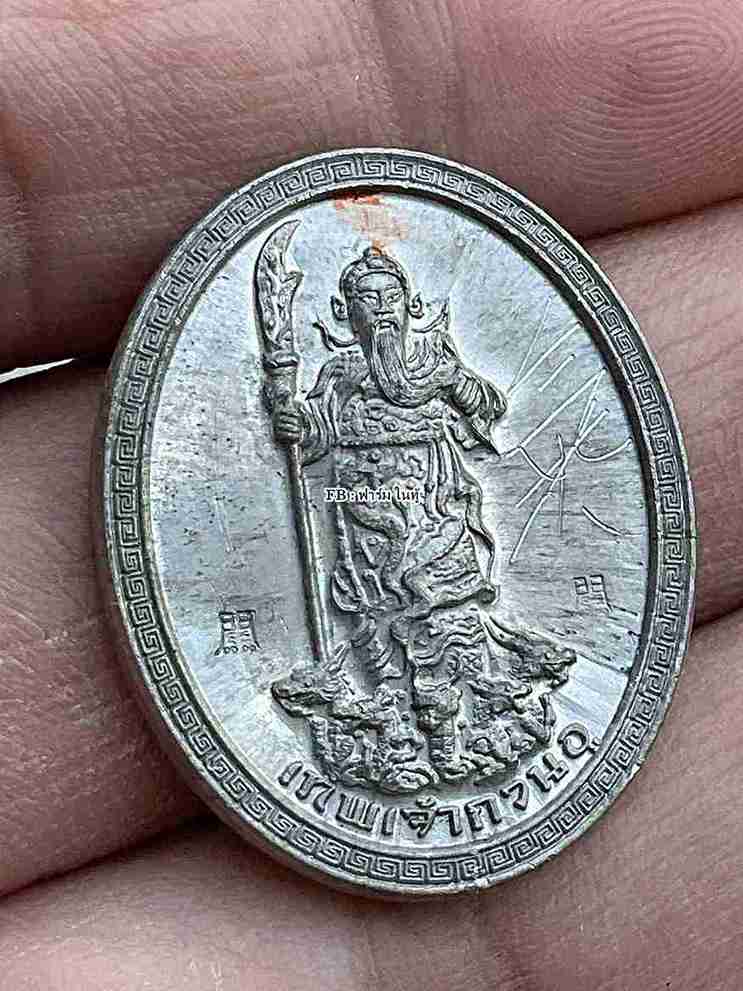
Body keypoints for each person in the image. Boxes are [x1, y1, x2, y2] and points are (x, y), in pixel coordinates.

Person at [1, 1, 742, 987]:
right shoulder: (343, 374)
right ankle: (398, 723)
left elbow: (484, 406)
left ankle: (456, 720)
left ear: (403, 307)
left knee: (447, 623)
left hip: (432, 512)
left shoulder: (428, 363)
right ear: (350, 315)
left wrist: (460, 395)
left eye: (389, 300)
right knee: (382, 637)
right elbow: (305, 436)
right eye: (366, 304)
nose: (379, 313)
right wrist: (284, 393)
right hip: (358, 523)